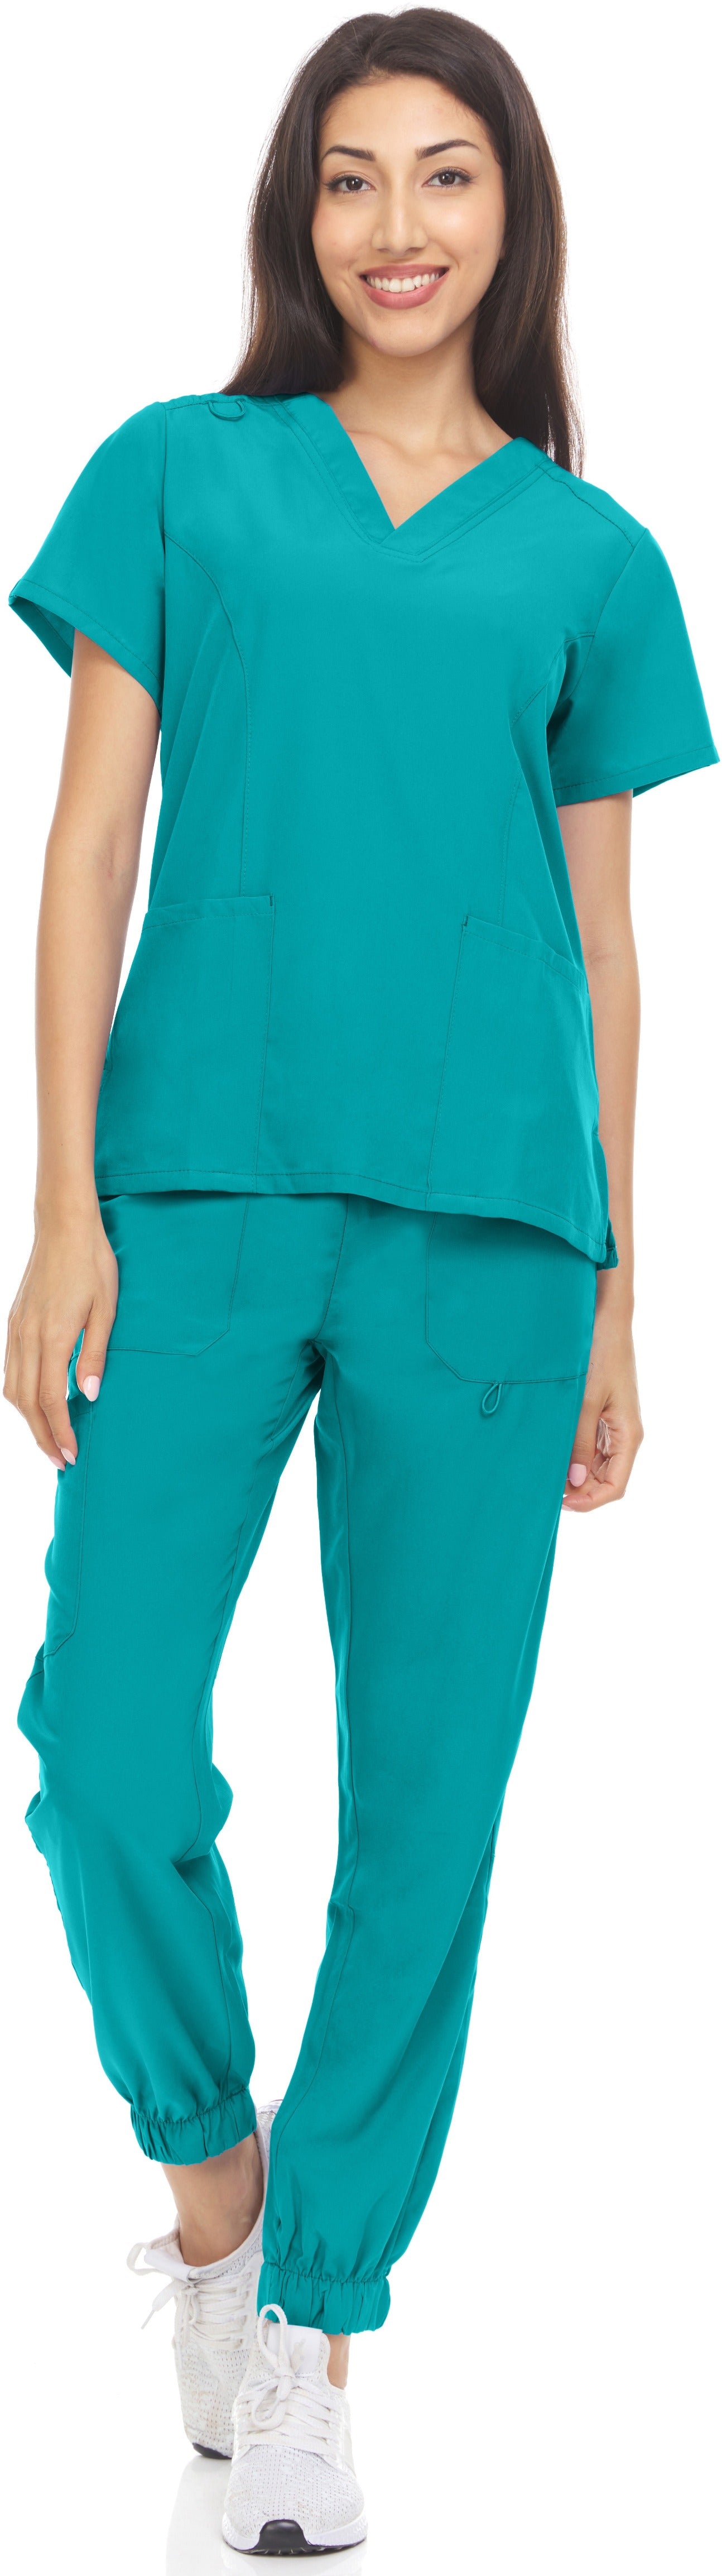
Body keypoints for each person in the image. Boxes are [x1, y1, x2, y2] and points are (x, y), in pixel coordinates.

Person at [4, 8, 716, 2558]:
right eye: (348, 178)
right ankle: (219, 2198)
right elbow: (89, 850)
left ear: (515, 213)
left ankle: (315, 2337)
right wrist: (61, 1202)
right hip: (196, 1194)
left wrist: (621, 1288)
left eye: (445, 175)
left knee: (429, 1805)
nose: (396, 225)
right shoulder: (177, 474)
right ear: (295, 217)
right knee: (101, 1736)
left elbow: (605, 945)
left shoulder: (591, 554)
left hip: (493, 1232)